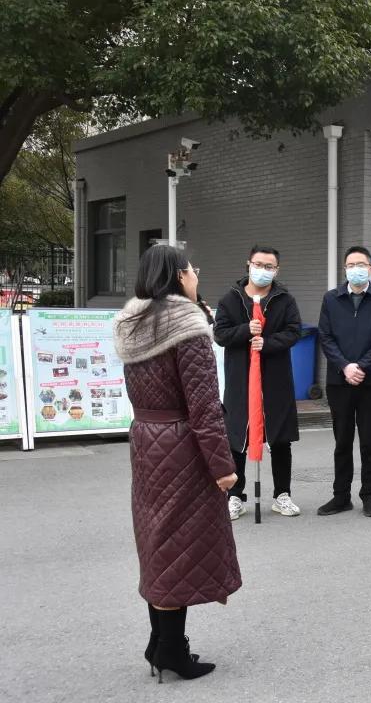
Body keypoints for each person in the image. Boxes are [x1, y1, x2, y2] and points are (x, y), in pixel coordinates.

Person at [113, 245, 241, 682]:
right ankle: (171, 649)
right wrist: (223, 466)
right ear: (178, 276)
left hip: (146, 440)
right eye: (192, 268)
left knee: (158, 541)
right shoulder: (187, 325)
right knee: (178, 547)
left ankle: (159, 642)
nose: (196, 274)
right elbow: (205, 407)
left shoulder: (131, 323)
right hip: (183, 445)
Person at [214, 245, 302, 520]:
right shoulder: (231, 298)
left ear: (277, 270)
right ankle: (235, 496)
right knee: (237, 437)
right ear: (248, 264)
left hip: (275, 379)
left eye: (269, 266)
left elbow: (294, 331)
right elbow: (220, 334)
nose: (263, 270)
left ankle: (282, 494)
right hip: (241, 380)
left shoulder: (284, 299)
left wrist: (269, 343)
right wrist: (244, 331)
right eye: (259, 264)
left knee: (280, 438)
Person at [316, 245, 371, 517]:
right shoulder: (331, 299)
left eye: (361, 264)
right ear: (345, 269)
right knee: (342, 441)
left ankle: (369, 495)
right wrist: (345, 367)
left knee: (369, 442)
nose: (356, 269)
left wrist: (361, 366)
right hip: (339, 382)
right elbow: (325, 337)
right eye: (351, 265)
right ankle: (341, 496)